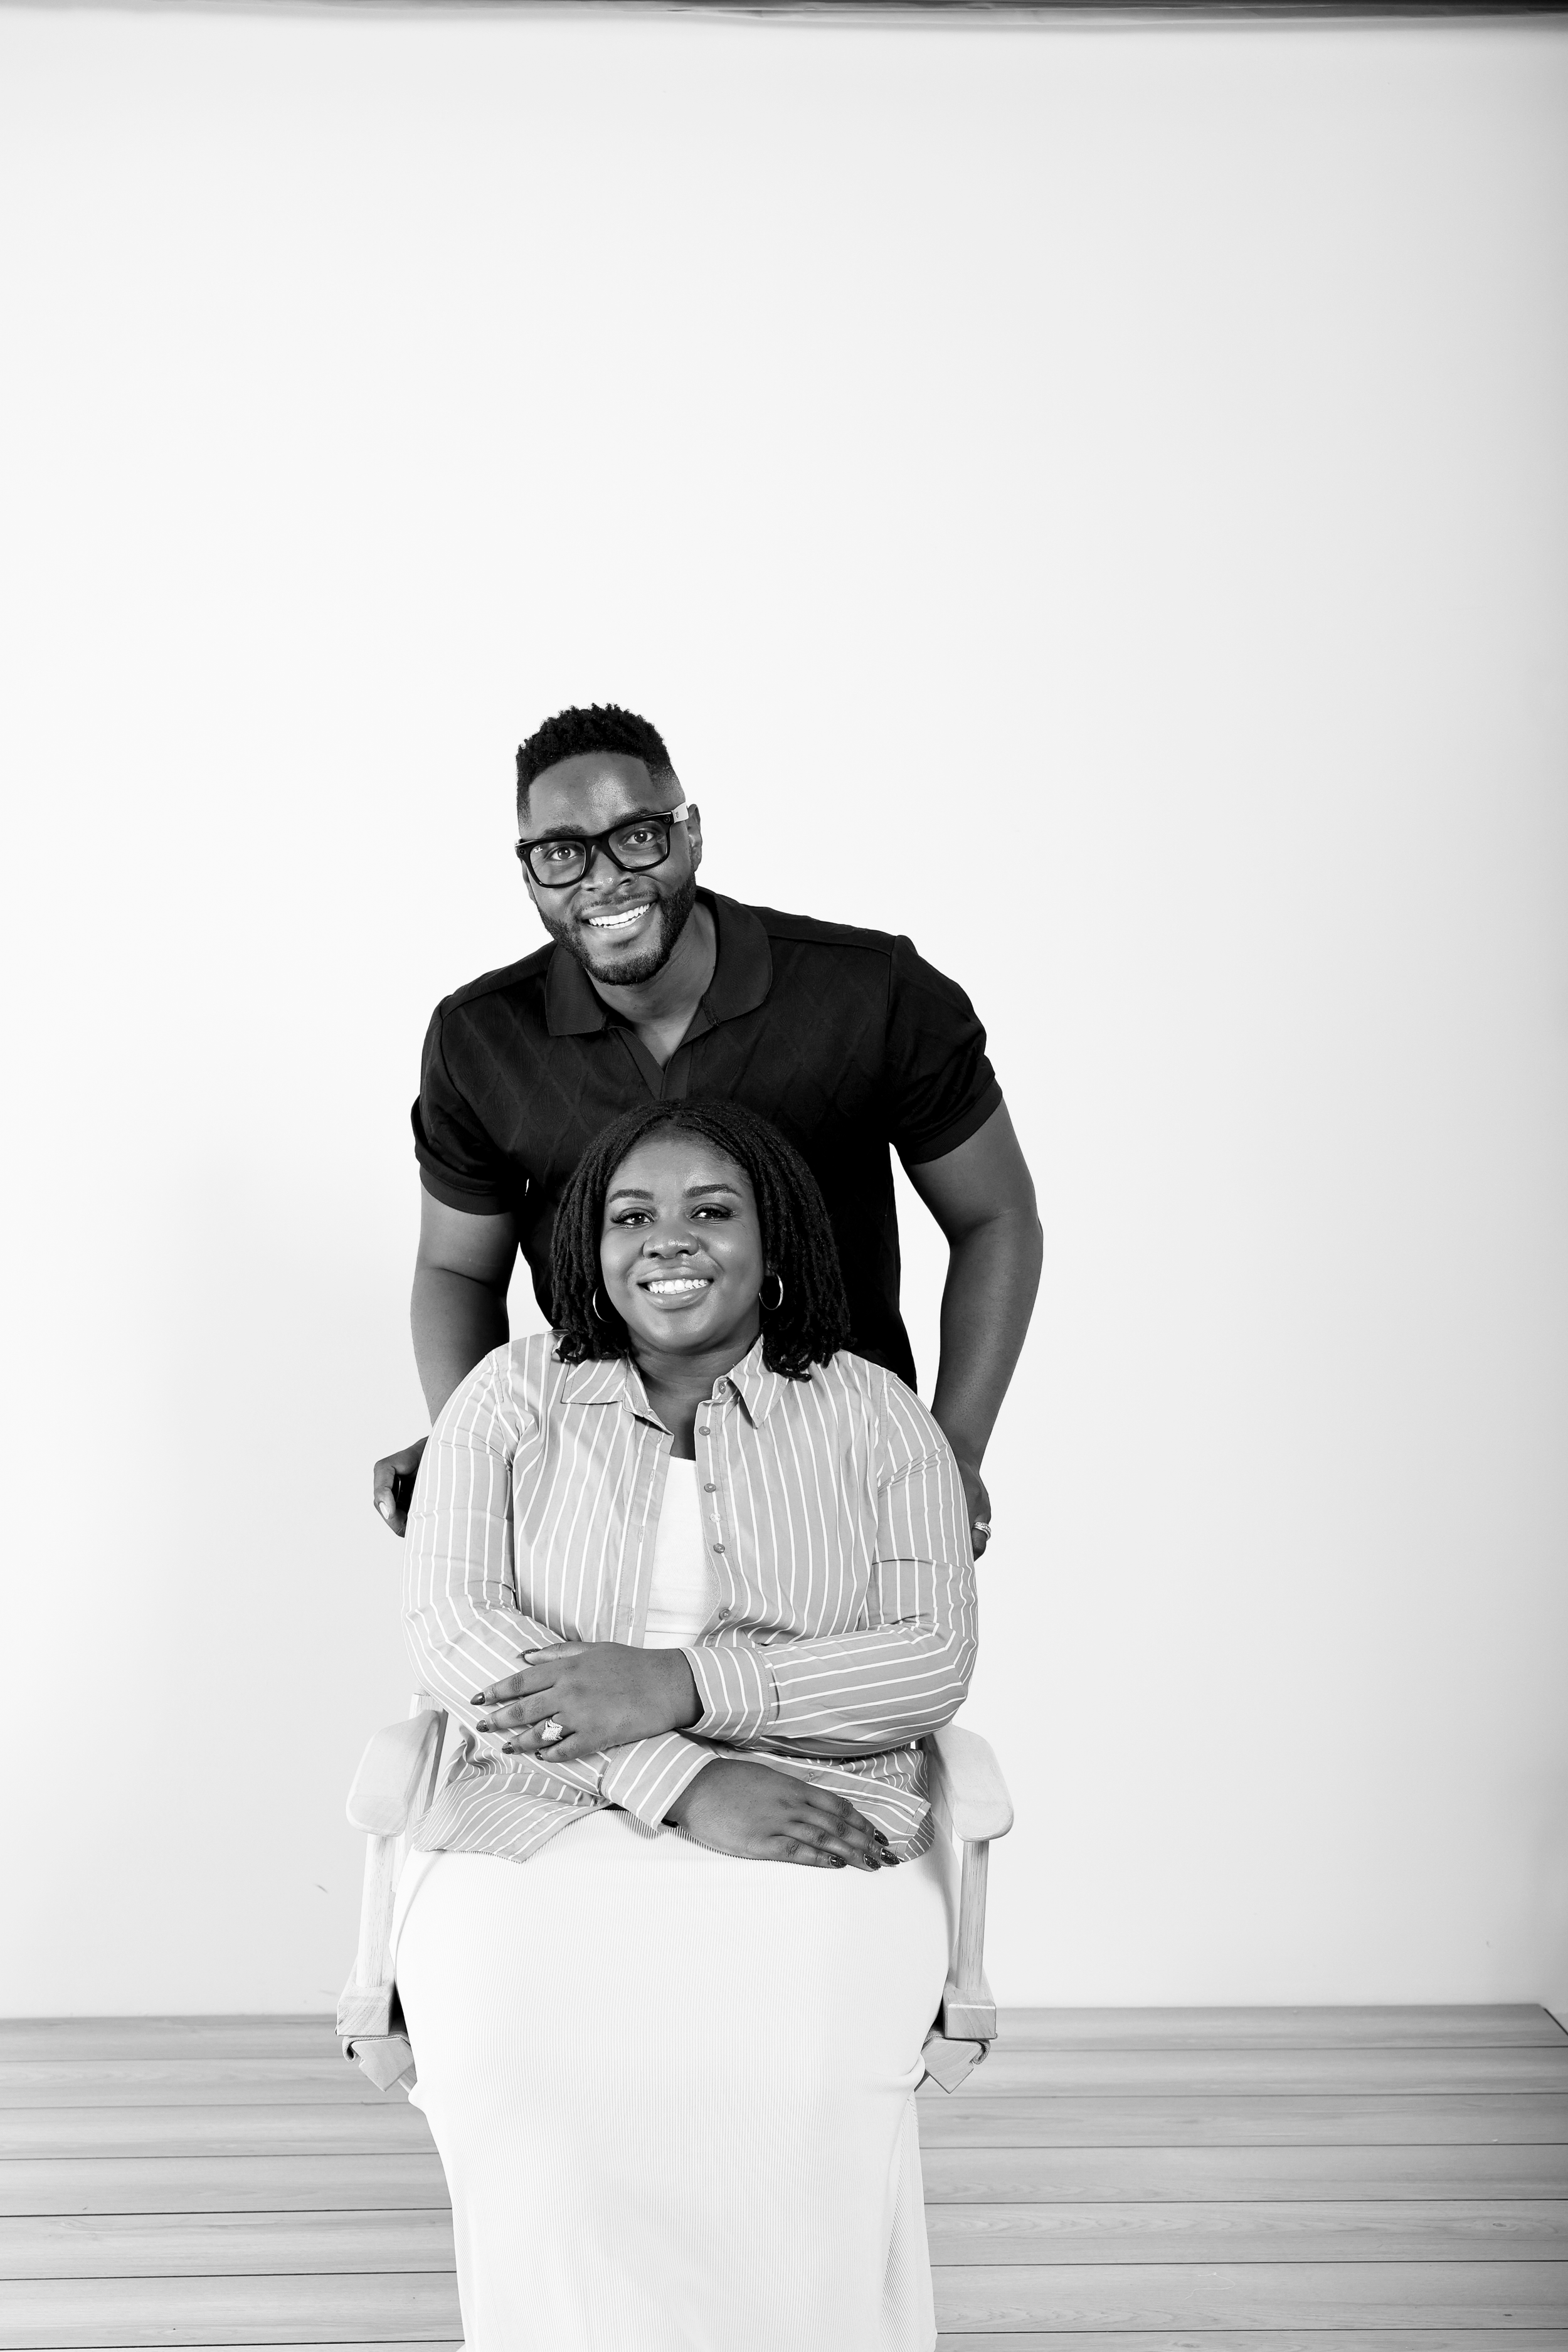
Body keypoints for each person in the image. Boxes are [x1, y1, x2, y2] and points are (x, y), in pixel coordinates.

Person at [393, 1098, 978, 2352]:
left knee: (795, 2077)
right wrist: (682, 1778)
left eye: (711, 1211)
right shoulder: (507, 1398)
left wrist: (685, 1686)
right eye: (629, 1214)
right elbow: (452, 1633)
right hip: (533, 1807)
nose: (670, 1241)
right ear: (587, 1247)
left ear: (776, 1245)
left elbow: (929, 1663)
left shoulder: (876, 1416)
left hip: (820, 1799)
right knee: (507, 2055)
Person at [374, 702, 1040, 1555]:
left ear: (689, 834)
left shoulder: (874, 995)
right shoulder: (481, 1038)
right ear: (531, 871)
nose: (604, 877)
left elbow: (996, 1216)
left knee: (831, 1691)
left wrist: (956, 1448)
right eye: (563, 852)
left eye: (638, 837)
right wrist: (475, 1451)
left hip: (842, 1480)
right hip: (595, 1493)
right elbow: (456, 1268)